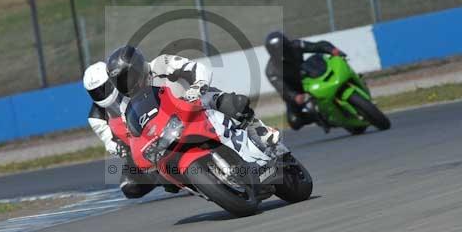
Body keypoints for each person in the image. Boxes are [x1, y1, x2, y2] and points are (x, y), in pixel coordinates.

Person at [105, 46, 280, 150]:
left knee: (229, 102)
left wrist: (198, 86)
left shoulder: (162, 64)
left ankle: (260, 131)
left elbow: (198, 68)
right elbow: (133, 134)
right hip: (169, 130)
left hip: (197, 103)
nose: (127, 83)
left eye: (128, 77)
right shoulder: (126, 105)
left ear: (138, 66)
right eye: (120, 81)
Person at [83, 61, 158, 199]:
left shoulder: (131, 84)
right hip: (137, 148)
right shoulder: (95, 117)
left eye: (104, 88)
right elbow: (108, 140)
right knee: (130, 187)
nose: (101, 94)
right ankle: (160, 179)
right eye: (96, 92)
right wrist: (117, 148)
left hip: (158, 129)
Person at [264, 31, 346, 130]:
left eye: (284, 47)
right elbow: (282, 89)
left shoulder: (296, 45)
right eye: (278, 50)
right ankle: (320, 118)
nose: (283, 52)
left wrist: (332, 50)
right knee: (294, 121)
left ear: (287, 43)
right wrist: (295, 97)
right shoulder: (271, 71)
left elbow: (317, 46)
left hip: (309, 79)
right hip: (295, 91)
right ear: (271, 52)